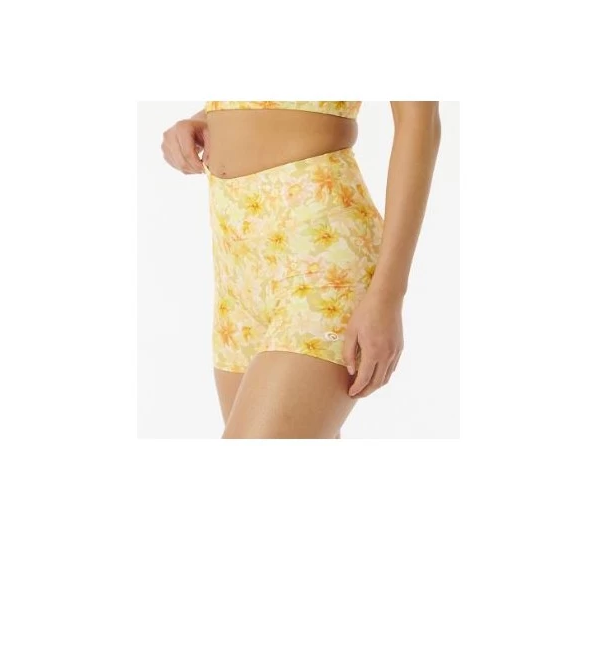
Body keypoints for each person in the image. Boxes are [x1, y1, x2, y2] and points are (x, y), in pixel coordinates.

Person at [161, 101, 441, 439]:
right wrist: (205, 120)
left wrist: (388, 296)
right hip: (235, 267)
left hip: (320, 256)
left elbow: (419, 124)